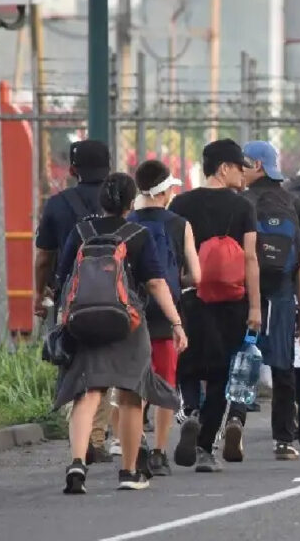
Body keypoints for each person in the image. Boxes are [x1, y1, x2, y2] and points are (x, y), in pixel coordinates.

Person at [55, 173, 187, 493]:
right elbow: (156, 283)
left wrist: (62, 320)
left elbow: (63, 279)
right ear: (131, 203)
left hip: (84, 322)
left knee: (87, 394)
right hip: (128, 323)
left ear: (101, 200)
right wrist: (176, 322)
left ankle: (77, 463)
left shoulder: (81, 231)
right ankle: (128, 472)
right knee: (130, 395)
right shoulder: (137, 233)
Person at [169, 139, 261, 473]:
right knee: (222, 374)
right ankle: (206, 449)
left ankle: (190, 410)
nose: (244, 174)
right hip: (233, 301)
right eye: (239, 167)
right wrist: (255, 308)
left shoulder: (180, 203)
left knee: (188, 365)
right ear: (223, 168)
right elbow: (250, 258)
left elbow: (172, 253)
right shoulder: (243, 207)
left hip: (191, 297)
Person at [34, 139, 116, 463]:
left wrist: (41, 294)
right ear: (109, 168)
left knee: (69, 360)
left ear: (72, 170)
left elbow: (44, 257)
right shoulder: (118, 200)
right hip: (113, 294)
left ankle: (77, 434)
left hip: (70, 294)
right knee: (106, 364)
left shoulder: (58, 204)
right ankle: (96, 435)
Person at [127, 160, 201, 476]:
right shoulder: (180, 224)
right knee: (166, 382)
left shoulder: (126, 222)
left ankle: (135, 443)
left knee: (132, 384)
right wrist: (177, 280)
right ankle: (159, 452)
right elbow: (196, 276)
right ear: (165, 191)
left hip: (130, 312)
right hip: (166, 312)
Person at [243, 140, 300, 460]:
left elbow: (243, 256)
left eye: (243, 163)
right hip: (283, 291)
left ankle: (232, 421)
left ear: (257, 165)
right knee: (283, 364)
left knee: (241, 359)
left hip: (247, 291)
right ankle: (284, 439)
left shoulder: (242, 202)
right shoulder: (295, 204)